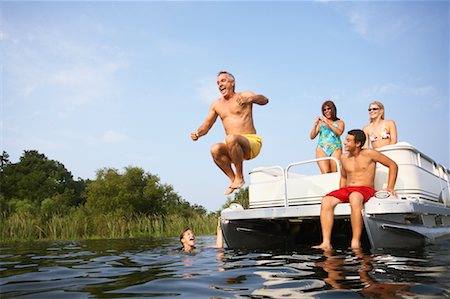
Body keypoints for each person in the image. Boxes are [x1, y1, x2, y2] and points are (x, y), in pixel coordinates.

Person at [313, 129, 398, 250]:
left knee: (354, 197)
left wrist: (390, 187)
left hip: (365, 189)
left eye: (348, 140)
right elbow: (343, 176)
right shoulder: (343, 157)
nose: (345, 143)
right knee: (326, 200)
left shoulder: (370, 154)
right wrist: (340, 194)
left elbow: (393, 165)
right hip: (349, 189)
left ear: (358, 144)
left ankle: (355, 242)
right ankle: (326, 242)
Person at [191, 71, 269, 195]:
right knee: (215, 149)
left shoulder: (244, 95)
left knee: (231, 138)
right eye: (217, 83)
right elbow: (207, 125)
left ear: (232, 83)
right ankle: (233, 180)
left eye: (223, 81)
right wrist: (198, 133)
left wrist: (251, 98)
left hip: (251, 142)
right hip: (232, 146)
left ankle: (239, 177)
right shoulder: (216, 104)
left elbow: (265, 100)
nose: (219, 85)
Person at [309, 100, 345, 173]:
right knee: (326, 173)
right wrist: (315, 124)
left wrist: (328, 123)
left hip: (336, 148)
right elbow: (312, 136)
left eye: (329, 109)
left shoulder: (340, 122)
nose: (326, 111)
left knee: (335, 172)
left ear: (333, 109)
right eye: (324, 110)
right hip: (322, 148)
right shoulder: (320, 123)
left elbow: (339, 132)